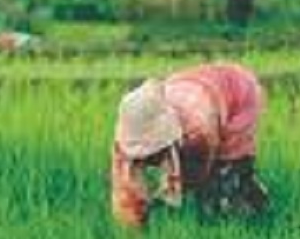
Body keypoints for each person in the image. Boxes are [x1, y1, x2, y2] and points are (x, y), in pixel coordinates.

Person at [111, 62, 269, 228]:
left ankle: (252, 207)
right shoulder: (129, 127)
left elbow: (197, 176)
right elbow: (123, 189)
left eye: (149, 150)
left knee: (221, 183)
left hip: (238, 93)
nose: (145, 157)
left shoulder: (198, 132)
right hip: (192, 85)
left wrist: (163, 200)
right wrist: (134, 216)